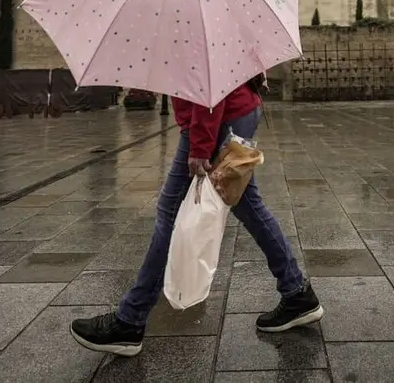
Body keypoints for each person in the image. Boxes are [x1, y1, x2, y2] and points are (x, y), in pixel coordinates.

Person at [70, 75, 323, 357]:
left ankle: (129, 322)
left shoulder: (187, 29)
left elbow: (207, 80)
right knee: (248, 205)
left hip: (216, 118)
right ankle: (297, 292)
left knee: (171, 213)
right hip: (237, 109)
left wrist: (201, 145)